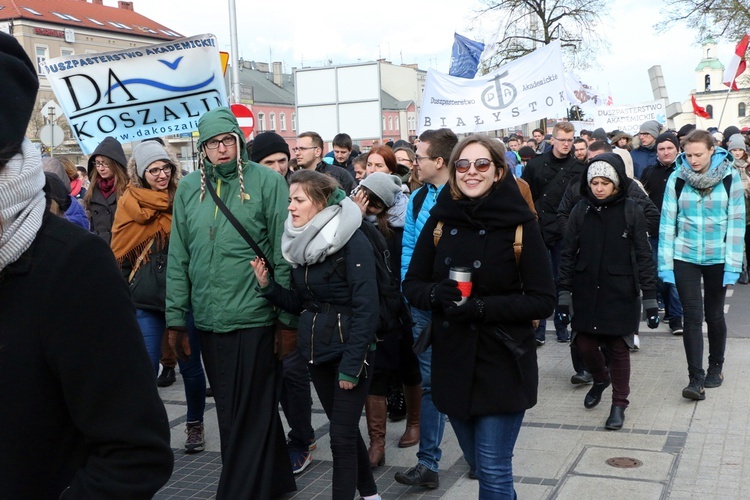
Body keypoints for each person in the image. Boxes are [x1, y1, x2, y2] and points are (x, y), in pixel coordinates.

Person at [0, 30, 173, 498]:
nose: (99, 171)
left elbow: (136, 451)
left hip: (143, 294)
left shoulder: (69, 266)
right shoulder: (95, 198)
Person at [402, 134, 555, 498]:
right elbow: (412, 284)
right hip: (453, 361)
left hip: (502, 360)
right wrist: (435, 293)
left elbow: (542, 300)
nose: (472, 172)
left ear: (499, 171)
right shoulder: (440, 219)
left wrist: (483, 307)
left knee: (493, 469)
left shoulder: (521, 223)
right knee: (476, 459)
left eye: (482, 164)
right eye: (463, 165)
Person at [166, 107, 296, 498]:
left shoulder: (267, 182)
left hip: (255, 315)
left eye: (228, 141)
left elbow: (281, 251)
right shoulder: (189, 188)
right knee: (232, 407)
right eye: (212, 143)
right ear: (202, 148)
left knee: (247, 411)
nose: (221, 149)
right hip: (208, 319)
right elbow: (179, 257)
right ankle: (275, 479)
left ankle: (236, 491)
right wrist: (175, 319)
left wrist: (286, 320)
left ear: (238, 142)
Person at [252, 170, 382, 500]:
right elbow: (303, 303)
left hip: (351, 352)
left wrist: (352, 366)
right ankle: (370, 495)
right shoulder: (301, 243)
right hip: (316, 351)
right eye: (290, 200)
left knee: (339, 438)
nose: (290, 207)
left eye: (298, 200)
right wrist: (268, 288)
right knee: (346, 433)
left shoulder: (352, 239)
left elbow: (367, 308)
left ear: (320, 202)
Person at [110, 140, 207, 454]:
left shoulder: (186, 195)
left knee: (190, 366)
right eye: (154, 170)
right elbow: (119, 251)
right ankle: (145, 430)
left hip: (182, 297)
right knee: (145, 365)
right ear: (140, 172)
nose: (162, 174)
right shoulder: (128, 202)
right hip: (146, 300)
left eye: (166, 167)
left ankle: (194, 425)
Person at [557, 154, 659, 430]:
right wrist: (564, 294)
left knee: (618, 348)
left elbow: (643, 256)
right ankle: (601, 378)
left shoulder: (631, 210)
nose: (599, 188)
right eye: (594, 183)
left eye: (604, 182)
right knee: (585, 344)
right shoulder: (580, 210)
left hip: (620, 290)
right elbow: (567, 255)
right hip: (586, 288)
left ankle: (619, 404)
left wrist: (650, 298)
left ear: (615, 184)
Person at [658, 129, 746, 401]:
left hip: (718, 257)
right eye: (688, 155)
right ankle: (695, 378)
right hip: (685, 256)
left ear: (712, 151)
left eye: (698, 154)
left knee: (715, 315)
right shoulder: (677, 178)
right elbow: (667, 224)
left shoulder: (731, 179)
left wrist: (733, 265)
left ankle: (716, 366)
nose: (693, 160)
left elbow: (736, 224)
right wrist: (665, 264)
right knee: (692, 317)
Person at [251, 129, 317, 473]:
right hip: (262, 295)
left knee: (293, 372)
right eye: (268, 162)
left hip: (296, 300)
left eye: (282, 161)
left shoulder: (301, 194)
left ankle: (303, 438)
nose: (277, 168)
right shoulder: (251, 195)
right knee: (274, 375)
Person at [396, 128, 457, 489]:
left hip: (459, 306)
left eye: (418, 156)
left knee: (468, 380)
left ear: (438, 161)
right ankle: (428, 463)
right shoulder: (417, 199)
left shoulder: (465, 195)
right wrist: (410, 293)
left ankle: (480, 455)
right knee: (431, 383)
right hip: (422, 307)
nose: (413, 162)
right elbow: (407, 252)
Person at [351, 172, 422, 466]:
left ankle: (415, 423)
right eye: (365, 198)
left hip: (402, 306)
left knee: (409, 365)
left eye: (374, 201)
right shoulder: (354, 223)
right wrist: (354, 215)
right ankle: (376, 442)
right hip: (373, 308)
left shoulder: (403, 223)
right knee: (376, 371)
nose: (368, 205)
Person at [522, 121, 585, 345]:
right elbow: (525, 196)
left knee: (563, 279)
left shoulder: (579, 168)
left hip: (564, 230)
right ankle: (538, 330)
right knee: (539, 279)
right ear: (553, 140)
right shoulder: (536, 165)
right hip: (538, 228)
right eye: (562, 140)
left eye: (570, 140)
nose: (567, 144)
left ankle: (562, 325)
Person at [641, 133, 686, 334]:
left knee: (675, 276)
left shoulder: (685, 171)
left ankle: (677, 316)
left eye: (669, 148)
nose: (666, 152)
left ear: (677, 149)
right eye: (661, 149)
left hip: (680, 232)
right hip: (655, 232)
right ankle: (666, 308)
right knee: (659, 275)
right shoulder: (650, 172)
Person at [83, 136, 129, 244]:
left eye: (105, 163)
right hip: (100, 248)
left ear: (116, 163)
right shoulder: (92, 190)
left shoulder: (129, 188)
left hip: (122, 246)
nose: (100, 168)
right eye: (98, 163)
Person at [727, 133, 750, 283]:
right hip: (734, 210)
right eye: (734, 150)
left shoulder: (748, 167)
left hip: (748, 209)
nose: (737, 153)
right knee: (737, 243)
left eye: (739, 150)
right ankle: (739, 269)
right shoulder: (727, 168)